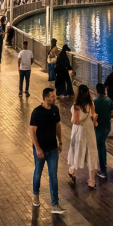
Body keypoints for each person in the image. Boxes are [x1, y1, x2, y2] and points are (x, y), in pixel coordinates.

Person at [29, 87, 65, 215]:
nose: (55, 98)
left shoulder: (55, 110)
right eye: (52, 96)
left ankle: (55, 204)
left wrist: (60, 142)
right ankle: (35, 195)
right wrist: (37, 148)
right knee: (38, 173)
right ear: (46, 98)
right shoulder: (37, 112)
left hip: (53, 149)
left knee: (53, 176)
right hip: (40, 150)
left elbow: (58, 125)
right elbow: (32, 131)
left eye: (54, 96)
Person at [67, 84, 99, 189]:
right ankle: (92, 181)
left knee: (77, 151)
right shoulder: (91, 104)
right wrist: (94, 120)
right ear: (87, 93)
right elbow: (95, 120)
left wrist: (79, 119)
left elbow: (74, 121)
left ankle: (72, 170)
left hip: (79, 130)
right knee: (92, 152)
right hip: (89, 130)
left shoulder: (76, 106)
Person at [93, 83, 113, 179]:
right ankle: (103, 166)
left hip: (98, 127)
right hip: (107, 126)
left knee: (100, 147)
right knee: (102, 146)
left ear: (97, 91)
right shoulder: (109, 100)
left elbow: (93, 115)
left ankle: (103, 169)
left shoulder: (95, 102)